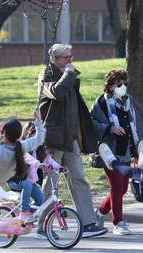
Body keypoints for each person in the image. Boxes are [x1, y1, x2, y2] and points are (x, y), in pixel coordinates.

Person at [36, 43, 107, 239]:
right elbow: (57, 93)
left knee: (78, 179)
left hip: (70, 139)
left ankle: (88, 223)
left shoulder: (69, 76)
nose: (70, 61)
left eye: (71, 57)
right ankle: (41, 226)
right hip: (52, 139)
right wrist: (69, 74)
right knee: (51, 183)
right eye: (66, 58)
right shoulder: (45, 75)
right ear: (54, 59)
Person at [90, 69, 143, 235]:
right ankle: (118, 223)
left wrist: (137, 150)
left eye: (125, 84)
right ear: (110, 86)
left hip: (126, 151)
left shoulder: (130, 102)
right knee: (116, 186)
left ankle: (100, 213)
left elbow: (135, 126)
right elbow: (91, 123)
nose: (123, 87)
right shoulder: (101, 103)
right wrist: (110, 128)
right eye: (119, 84)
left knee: (122, 189)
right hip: (109, 152)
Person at [7, 121, 63, 223]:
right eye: (34, 138)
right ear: (28, 136)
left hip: (29, 181)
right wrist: (38, 164)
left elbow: (48, 160)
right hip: (15, 180)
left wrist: (59, 168)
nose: (36, 141)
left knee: (41, 200)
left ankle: (23, 220)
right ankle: (24, 212)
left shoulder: (39, 149)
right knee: (27, 183)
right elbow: (27, 158)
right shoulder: (21, 147)